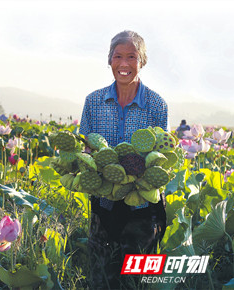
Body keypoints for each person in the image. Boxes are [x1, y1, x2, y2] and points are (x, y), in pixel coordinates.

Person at [79, 30, 168, 289]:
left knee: (137, 282)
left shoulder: (156, 105)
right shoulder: (93, 102)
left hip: (144, 209)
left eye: (132, 56)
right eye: (118, 56)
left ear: (142, 62)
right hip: (103, 205)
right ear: (110, 61)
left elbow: (162, 157)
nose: (125, 64)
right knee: (101, 279)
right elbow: (85, 149)